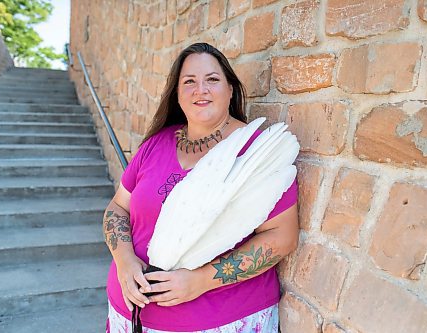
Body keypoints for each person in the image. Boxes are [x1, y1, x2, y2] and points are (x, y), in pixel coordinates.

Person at [103, 42, 299, 333]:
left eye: (212, 80)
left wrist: (201, 280)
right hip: (128, 317)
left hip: (220, 321)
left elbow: (282, 237)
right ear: (178, 94)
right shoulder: (157, 143)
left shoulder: (254, 152)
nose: (201, 89)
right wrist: (125, 262)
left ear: (230, 89)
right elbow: (117, 207)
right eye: (189, 82)